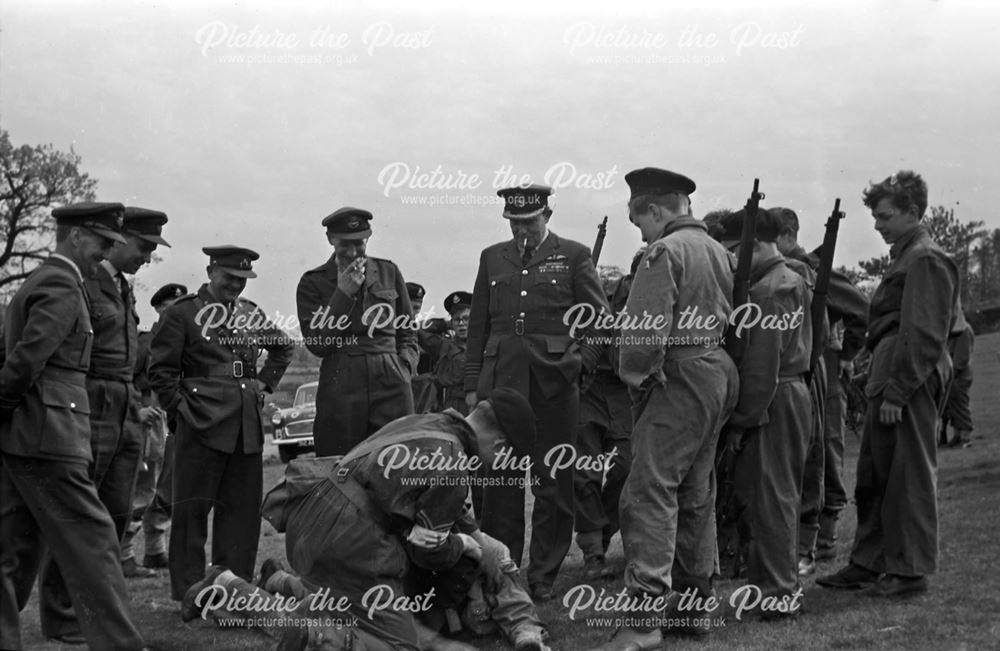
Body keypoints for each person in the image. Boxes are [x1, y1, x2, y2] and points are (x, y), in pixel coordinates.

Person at [188, 388, 542, 650]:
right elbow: (427, 551)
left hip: (312, 514)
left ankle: (231, 589)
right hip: (352, 540)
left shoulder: (425, 421)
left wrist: (474, 540)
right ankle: (306, 633)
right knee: (398, 645)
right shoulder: (453, 463)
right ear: (500, 444)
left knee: (332, 605)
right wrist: (465, 545)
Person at [591, 168, 738, 651]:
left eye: (640, 223)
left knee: (649, 492)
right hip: (715, 370)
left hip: (678, 376)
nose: (642, 233)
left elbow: (640, 337)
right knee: (695, 491)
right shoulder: (716, 249)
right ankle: (694, 606)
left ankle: (644, 618)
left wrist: (638, 374)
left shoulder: (664, 252)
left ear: (654, 211)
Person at [0, 202, 147, 649]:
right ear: (76, 236)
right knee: (96, 538)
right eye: (101, 243)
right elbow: (26, 361)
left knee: (11, 549)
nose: (103, 254)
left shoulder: (52, 280)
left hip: (29, 435)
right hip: (50, 435)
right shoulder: (63, 283)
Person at [464, 184, 609, 601]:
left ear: (548, 215)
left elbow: (600, 319)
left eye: (529, 221)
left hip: (555, 383)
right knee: (501, 479)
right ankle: (504, 570)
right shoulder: (492, 257)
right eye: (514, 222)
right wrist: (475, 385)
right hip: (503, 381)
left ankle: (544, 573)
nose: (521, 229)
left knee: (554, 479)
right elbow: (478, 325)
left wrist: (583, 362)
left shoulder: (575, 255)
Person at [818, 170, 959, 597]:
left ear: (913, 212)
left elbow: (924, 333)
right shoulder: (907, 255)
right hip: (890, 370)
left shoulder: (925, 258)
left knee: (908, 476)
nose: (877, 225)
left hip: (906, 376)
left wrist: (898, 391)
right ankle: (870, 562)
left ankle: (909, 571)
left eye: (885, 216)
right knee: (876, 475)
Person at [149, 245, 295, 603]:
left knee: (241, 514)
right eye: (229, 277)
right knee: (191, 514)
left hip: (246, 427)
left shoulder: (249, 313)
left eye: (242, 279)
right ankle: (189, 593)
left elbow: (283, 347)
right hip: (201, 424)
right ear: (210, 271)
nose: (236, 286)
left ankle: (234, 590)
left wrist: (264, 383)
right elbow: (161, 372)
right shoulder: (183, 314)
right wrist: (181, 411)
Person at [714, 208, 815, 615]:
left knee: (771, 497)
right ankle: (773, 586)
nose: (732, 261)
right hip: (791, 393)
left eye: (735, 251)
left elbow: (760, 370)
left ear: (753, 245)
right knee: (779, 494)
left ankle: (776, 595)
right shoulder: (793, 277)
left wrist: (741, 421)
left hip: (773, 399)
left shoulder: (767, 291)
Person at [772, 206, 870, 575]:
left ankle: (823, 540)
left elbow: (862, 309)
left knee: (825, 447)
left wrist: (845, 355)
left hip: (823, 367)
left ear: (785, 236)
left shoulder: (813, 267)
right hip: (798, 367)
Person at [296, 207, 419, 456]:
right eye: (344, 244)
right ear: (331, 240)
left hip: (391, 380)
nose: (353, 253)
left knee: (399, 459)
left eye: (359, 244)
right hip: (341, 382)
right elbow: (317, 344)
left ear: (368, 239)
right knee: (340, 461)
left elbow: (407, 332)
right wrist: (342, 294)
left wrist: (404, 366)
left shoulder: (389, 272)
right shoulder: (312, 282)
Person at [573, 258, 638, 582]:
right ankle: (592, 552)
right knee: (584, 474)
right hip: (585, 390)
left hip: (620, 391)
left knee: (624, 469)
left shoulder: (635, 297)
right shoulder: (575, 302)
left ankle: (601, 534)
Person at [121, 282, 188, 573]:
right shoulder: (145, 341)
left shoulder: (188, 338)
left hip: (173, 421)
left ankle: (155, 551)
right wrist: (137, 409)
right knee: (141, 488)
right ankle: (124, 556)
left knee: (167, 489)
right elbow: (123, 378)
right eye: (173, 307)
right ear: (160, 310)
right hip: (147, 420)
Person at [409, 281, 446, 413]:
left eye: (417, 309)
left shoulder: (415, 330)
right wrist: (444, 324)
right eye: (411, 307)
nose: (414, 313)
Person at [942, 315, 975, 448]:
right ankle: (957, 434)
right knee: (953, 406)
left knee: (961, 405)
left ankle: (965, 436)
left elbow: (962, 358)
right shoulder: (955, 330)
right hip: (953, 376)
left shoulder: (964, 330)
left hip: (960, 376)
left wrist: (952, 372)